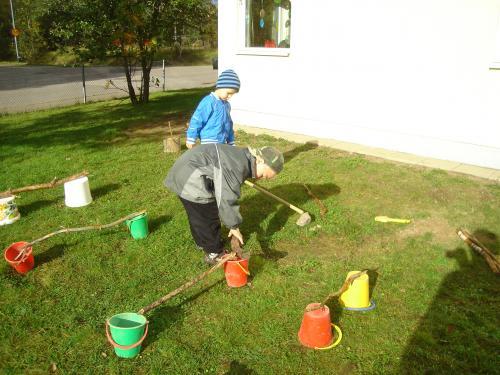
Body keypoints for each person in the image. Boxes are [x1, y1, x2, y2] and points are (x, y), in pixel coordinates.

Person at [164, 144, 284, 265]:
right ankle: (214, 253)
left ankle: (201, 242)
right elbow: (227, 198)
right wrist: (234, 226)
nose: (261, 178)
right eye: (263, 175)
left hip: (185, 170)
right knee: (207, 215)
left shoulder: (242, 157)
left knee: (196, 215)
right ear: (259, 160)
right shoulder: (237, 167)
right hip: (190, 178)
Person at [186, 69, 240, 149]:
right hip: (209, 142)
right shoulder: (209, 101)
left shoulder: (226, 105)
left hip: (222, 142)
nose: (230, 96)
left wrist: (230, 140)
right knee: (211, 161)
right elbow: (197, 119)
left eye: (232, 94)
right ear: (220, 87)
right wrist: (191, 138)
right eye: (229, 93)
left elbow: (228, 124)